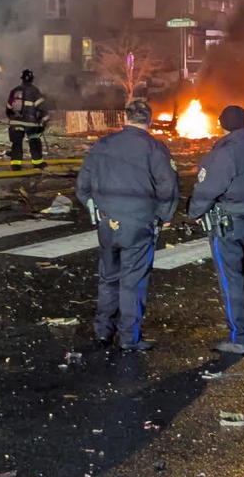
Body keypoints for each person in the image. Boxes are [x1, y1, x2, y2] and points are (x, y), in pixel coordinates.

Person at [75, 99, 179, 351]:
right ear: (149, 120)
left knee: (108, 278)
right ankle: (129, 338)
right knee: (132, 280)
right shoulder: (155, 148)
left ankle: (103, 332)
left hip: (107, 223)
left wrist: (95, 208)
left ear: (125, 118)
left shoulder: (102, 145)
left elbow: (82, 186)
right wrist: (164, 216)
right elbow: (168, 186)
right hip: (139, 224)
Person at [188, 105, 244, 355]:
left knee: (231, 279)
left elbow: (208, 188)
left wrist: (193, 212)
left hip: (228, 224)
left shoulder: (224, 153)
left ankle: (239, 338)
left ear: (222, 124)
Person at [6, 68, 47, 169]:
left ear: (22, 79)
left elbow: (8, 108)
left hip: (16, 123)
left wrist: (13, 120)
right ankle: (37, 163)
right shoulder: (35, 91)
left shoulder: (14, 91)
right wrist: (44, 122)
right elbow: (42, 109)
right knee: (34, 141)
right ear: (32, 79)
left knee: (16, 143)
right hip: (31, 124)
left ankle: (16, 165)